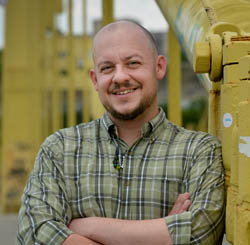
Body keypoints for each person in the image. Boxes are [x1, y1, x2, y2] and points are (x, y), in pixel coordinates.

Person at [17, 20, 225, 244]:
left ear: (159, 67)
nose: (120, 77)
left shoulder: (200, 151)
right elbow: (35, 231)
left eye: (133, 63)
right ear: (95, 79)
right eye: (107, 68)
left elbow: (201, 234)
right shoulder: (59, 149)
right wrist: (162, 234)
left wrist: (87, 227)